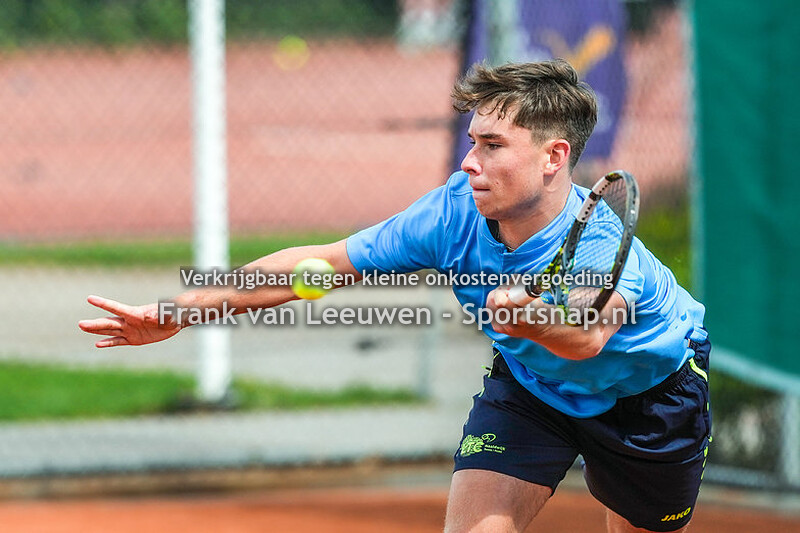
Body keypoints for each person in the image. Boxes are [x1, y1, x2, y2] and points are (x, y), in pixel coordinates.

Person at [79, 59, 710, 533]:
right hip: (532, 391)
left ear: (554, 157)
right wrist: (180, 311)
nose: (470, 162)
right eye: (472, 141)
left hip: (650, 399)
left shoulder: (600, 242)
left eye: (493, 146)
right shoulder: (451, 214)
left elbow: (588, 336)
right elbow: (322, 267)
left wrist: (532, 322)